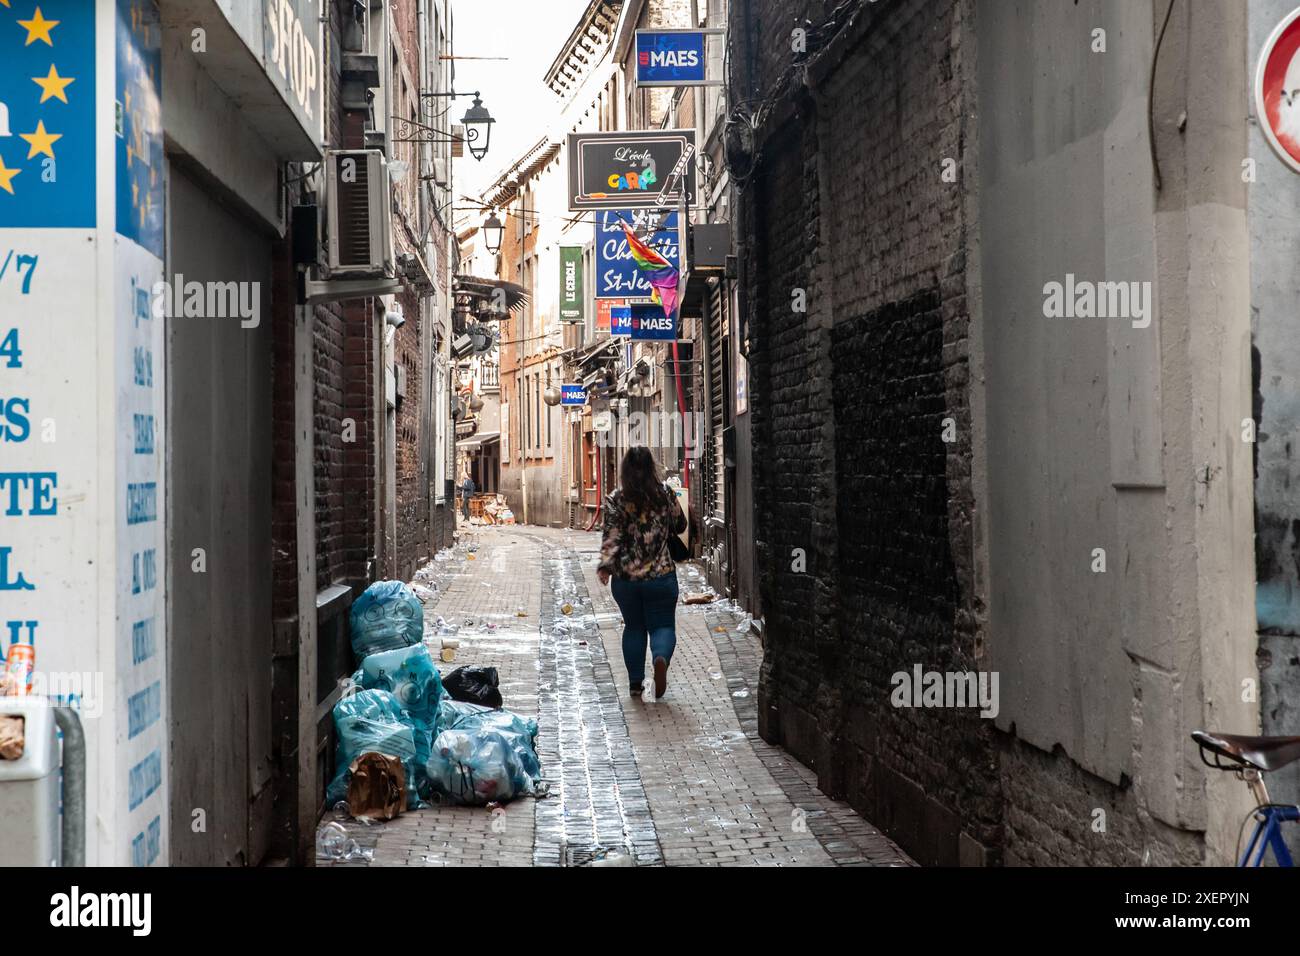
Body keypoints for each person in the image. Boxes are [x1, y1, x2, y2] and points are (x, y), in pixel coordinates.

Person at [596, 447, 687, 698]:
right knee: (663, 626)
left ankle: (636, 683)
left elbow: (610, 538)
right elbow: (681, 525)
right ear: (651, 467)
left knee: (634, 627)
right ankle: (660, 658)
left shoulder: (616, 498)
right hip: (661, 575)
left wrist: (605, 566)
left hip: (626, 579)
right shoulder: (665, 494)